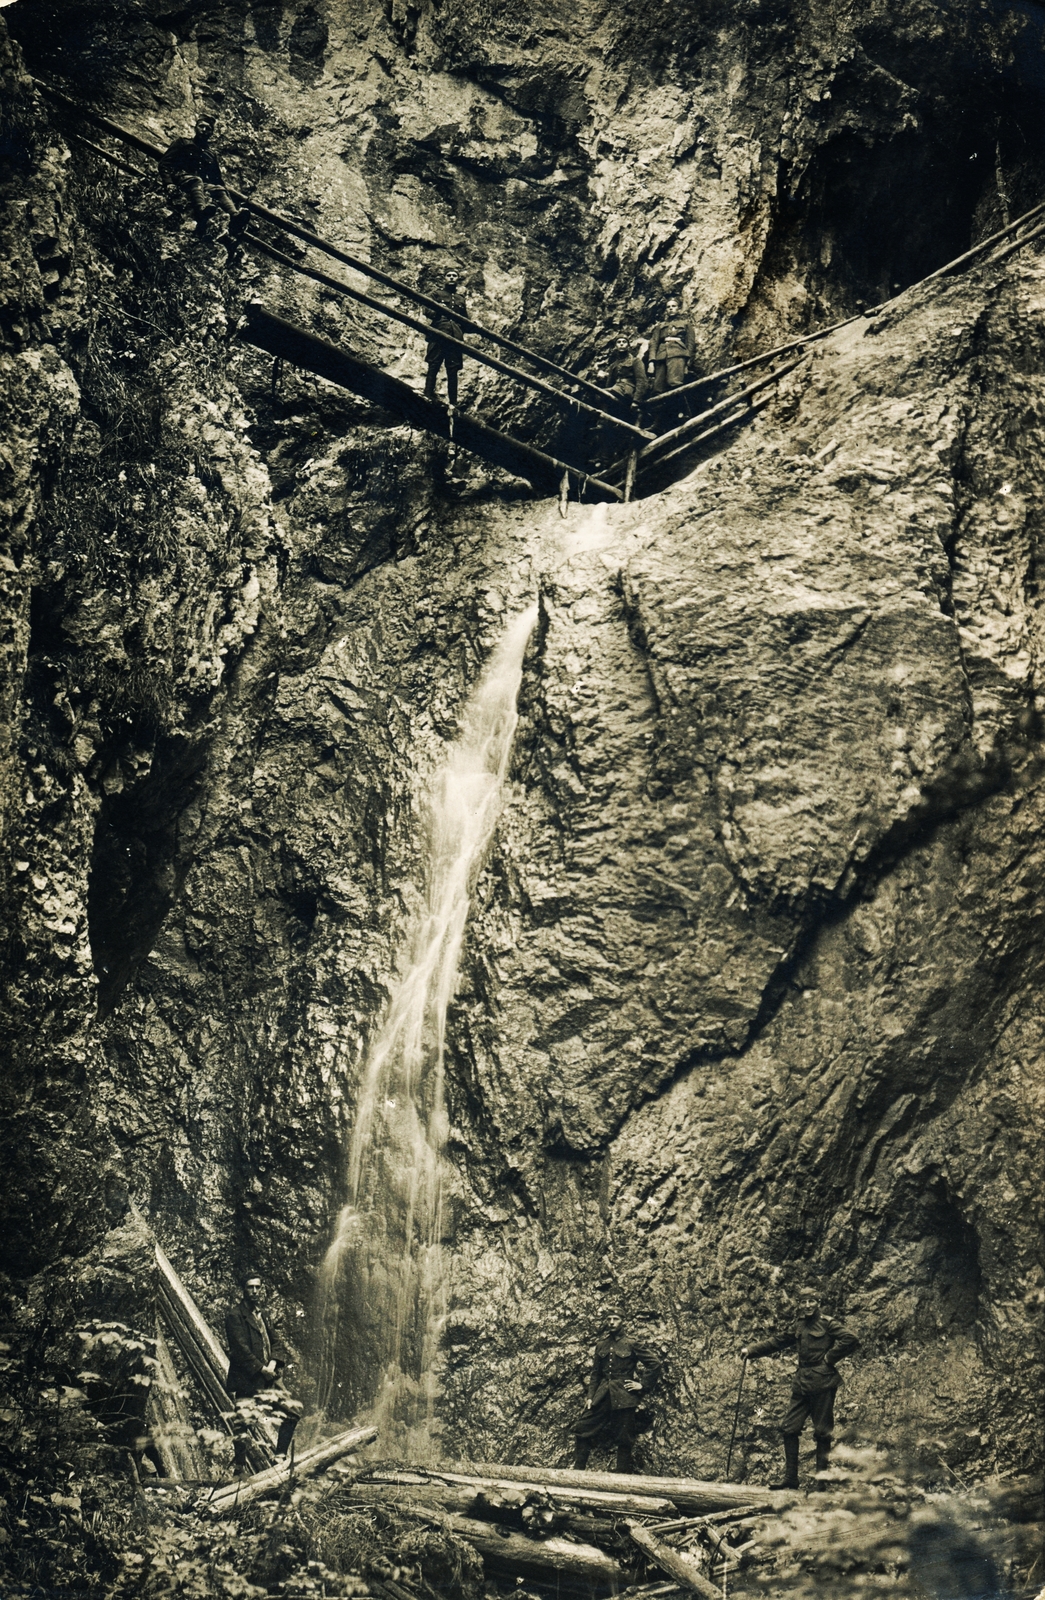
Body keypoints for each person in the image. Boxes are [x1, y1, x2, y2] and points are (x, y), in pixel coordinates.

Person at [740, 1284, 859, 1490]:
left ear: (818, 1302)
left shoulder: (828, 1323)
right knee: (789, 1428)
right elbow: (778, 1341)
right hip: (802, 1383)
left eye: (811, 1301)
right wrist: (751, 1350)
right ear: (800, 1305)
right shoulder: (799, 1325)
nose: (808, 1305)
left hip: (823, 1383)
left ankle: (821, 1483)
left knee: (822, 1432)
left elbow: (851, 1339)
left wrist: (830, 1358)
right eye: (804, 1302)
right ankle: (791, 1479)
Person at [225, 1274, 301, 1472]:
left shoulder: (263, 1314)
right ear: (243, 1290)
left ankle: (279, 1457)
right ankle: (239, 1468)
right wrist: (261, 1369)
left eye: (258, 1287)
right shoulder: (235, 1316)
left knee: (292, 1413)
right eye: (250, 1287)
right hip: (248, 1379)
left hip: (269, 1377)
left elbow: (277, 1342)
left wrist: (273, 1363)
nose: (255, 1291)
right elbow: (240, 1350)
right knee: (243, 1423)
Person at [572, 1310, 661, 1474]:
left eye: (616, 1319)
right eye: (609, 1319)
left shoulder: (632, 1343)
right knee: (582, 1428)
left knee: (624, 1437)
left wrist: (642, 1385)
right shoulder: (601, 1345)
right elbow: (596, 1374)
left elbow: (655, 1364)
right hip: (602, 1395)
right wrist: (590, 1397)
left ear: (623, 1321)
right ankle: (578, 1472)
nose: (612, 1322)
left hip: (624, 1396)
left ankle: (622, 1475)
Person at [160, 112, 245, 238]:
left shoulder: (210, 154)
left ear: (211, 133)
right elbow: (164, 163)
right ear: (196, 127)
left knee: (218, 189)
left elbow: (217, 179)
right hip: (180, 178)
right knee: (197, 180)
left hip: (198, 185)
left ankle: (235, 216)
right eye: (201, 126)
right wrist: (169, 183)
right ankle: (201, 210)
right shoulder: (183, 143)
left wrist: (223, 191)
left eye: (208, 129)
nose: (204, 130)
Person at [423, 268, 468, 406]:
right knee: (434, 364)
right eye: (449, 275)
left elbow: (464, 320)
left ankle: (453, 403)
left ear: (458, 279)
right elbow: (427, 310)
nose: (452, 277)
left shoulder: (461, 299)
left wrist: (474, 324)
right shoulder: (436, 294)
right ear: (444, 278)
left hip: (455, 337)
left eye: (454, 275)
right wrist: (438, 311)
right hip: (439, 333)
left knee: (453, 369)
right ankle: (427, 394)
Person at [647, 297, 696, 394]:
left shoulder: (686, 324)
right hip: (661, 356)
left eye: (673, 306)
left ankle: (678, 404)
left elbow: (690, 344)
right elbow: (654, 343)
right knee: (658, 387)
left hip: (678, 354)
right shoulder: (660, 326)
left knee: (675, 383)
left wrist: (688, 362)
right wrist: (651, 361)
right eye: (668, 307)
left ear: (678, 309)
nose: (671, 308)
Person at [596, 336, 649, 412]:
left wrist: (636, 400)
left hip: (627, 391)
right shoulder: (613, 365)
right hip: (615, 389)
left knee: (604, 393)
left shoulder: (635, 361)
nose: (621, 344)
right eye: (619, 342)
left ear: (628, 345)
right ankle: (604, 416)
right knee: (599, 395)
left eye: (624, 342)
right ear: (616, 346)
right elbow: (609, 384)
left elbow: (642, 381)